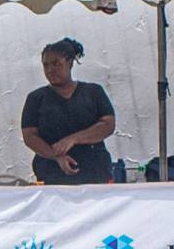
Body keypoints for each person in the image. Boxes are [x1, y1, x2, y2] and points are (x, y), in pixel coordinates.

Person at [21, 37, 115, 185]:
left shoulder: (93, 92)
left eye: (56, 64)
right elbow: (30, 136)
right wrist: (56, 156)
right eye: (46, 65)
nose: (50, 70)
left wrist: (73, 139)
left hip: (95, 174)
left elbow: (108, 125)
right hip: (52, 176)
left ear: (70, 63)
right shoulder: (36, 98)